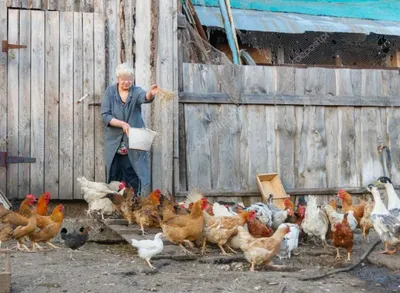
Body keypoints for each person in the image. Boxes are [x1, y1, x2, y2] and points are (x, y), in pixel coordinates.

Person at [101, 63, 159, 196]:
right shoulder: (110, 92)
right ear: (118, 79)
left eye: (129, 79)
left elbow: (145, 97)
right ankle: (115, 204)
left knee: (133, 171)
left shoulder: (135, 91)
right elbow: (105, 115)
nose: (127, 82)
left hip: (133, 140)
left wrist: (151, 93)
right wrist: (121, 124)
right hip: (114, 141)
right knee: (115, 172)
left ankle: (136, 202)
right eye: (123, 79)